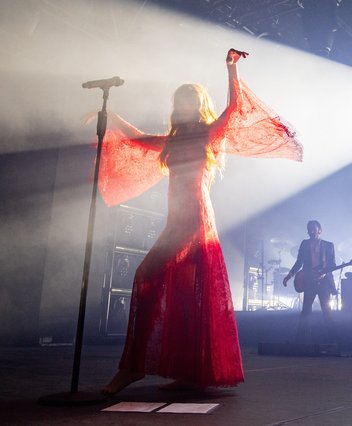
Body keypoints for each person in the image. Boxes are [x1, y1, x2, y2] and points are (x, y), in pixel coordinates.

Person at [100, 48, 303, 395]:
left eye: (190, 101)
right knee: (184, 294)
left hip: (193, 220)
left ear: (199, 105)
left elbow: (235, 109)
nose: (183, 107)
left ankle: (132, 369)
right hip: (177, 220)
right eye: (179, 101)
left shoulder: (209, 134)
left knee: (146, 276)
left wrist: (231, 68)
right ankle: (189, 371)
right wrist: (108, 113)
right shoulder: (174, 140)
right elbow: (137, 137)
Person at [282, 220, 337, 342]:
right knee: (306, 311)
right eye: (309, 229)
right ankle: (301, 341)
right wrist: (289, 276)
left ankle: (334, 341)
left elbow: (332, 264)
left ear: (320, 230)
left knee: (327, 312)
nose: (311, 231)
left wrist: (324, 274)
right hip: (309, 281)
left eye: (314, 229)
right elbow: (299, 262)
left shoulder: (328, 245)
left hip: (324, 283)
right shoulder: (305, 244)